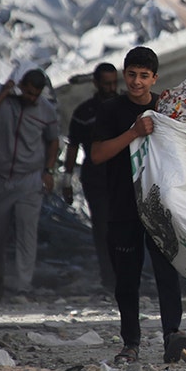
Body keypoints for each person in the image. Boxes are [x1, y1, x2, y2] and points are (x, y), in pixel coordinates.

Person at [90, 46, 186, 365]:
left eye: (144, 76)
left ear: (154, 78)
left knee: (167, 272)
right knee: (127, 279)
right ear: (124, 75)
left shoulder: (165, 107)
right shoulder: (110, 110)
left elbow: (179, 150)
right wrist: (132, 133)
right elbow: (97, 154)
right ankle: (130, 342)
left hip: (159, 204)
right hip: (122, 205)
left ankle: (172, 335)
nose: (137, 82)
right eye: (131, 75)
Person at [0, 68, 60, 301]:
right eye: (27, 92)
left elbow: (53, 141)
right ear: (20, 86)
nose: (31, 98)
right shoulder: (1, 100)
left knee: (27, 234)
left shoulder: (45, 110)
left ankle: (22, 287)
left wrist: (48, 171)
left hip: (29, 178)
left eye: (35, 95)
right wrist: (3, 94)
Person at [62, 62, 119, 292]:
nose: (111, 87)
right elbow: (73, 147)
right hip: (96, 179)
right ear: (96, 84)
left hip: (123, 178)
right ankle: (110, 279)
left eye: (114, 83)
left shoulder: (126, 106)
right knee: (103, 230)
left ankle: (129, 275)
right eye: (107, 84)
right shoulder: (84, 113)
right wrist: (66, 179)